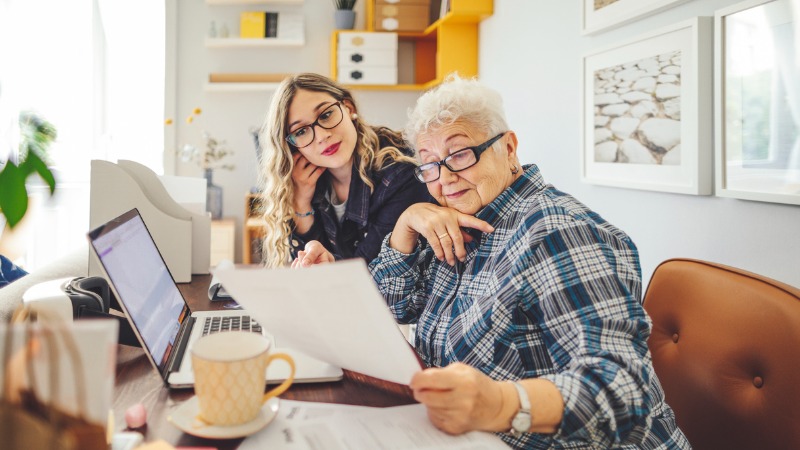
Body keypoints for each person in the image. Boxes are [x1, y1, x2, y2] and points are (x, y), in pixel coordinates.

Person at [368, 75, 690, 449]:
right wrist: (405, 227)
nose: (446, 178)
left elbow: (623, 390)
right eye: (430, 165)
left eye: (459, 154)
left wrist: (501, 403)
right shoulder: (461, 220)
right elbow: (395, 307)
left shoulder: (557, 230)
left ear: (508, 148)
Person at [257, 73, 431, 268]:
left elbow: (368, 273)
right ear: (292, 146)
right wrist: (301, 204)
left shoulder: (399, 173)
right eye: (301, 131)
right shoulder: (306, 180)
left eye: (326, 115)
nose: (322, 136)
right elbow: (312, 267)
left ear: (348, 109)